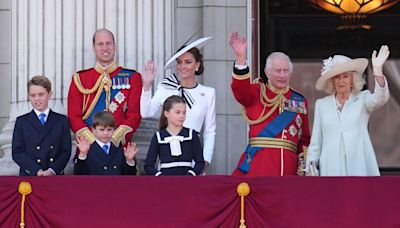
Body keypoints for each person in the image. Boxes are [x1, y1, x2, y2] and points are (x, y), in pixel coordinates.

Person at [229, 31, 310, 177]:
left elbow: (304, 139)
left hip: (289, 170)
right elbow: (240, 90)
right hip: (259, 166)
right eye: (278, 71)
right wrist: (240, 57)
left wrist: (303, 165)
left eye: (286, 71)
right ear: (267, 72)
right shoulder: (256, 92)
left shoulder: (299, 100)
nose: (282, 75)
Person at [306, 45, 390, 176]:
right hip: (330, 168)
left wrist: (378, 71)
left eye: (345, 76)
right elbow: (316, 142)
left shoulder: (363, 99)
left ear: (352, 80)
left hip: (358, 166)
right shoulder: (322, 105)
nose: (341, 81)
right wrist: (311, 165)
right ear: (332, 81)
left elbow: (380, 99)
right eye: (337, 77)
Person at [141, 37, 215, 171]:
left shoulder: (208, 93)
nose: (183, 66)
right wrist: (146, 87)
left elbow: (210, 130)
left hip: (193, 155)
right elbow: (146, 113)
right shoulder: (166, 86)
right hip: (167, 154)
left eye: (188, 62)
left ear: (197, 65)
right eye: (179, 62)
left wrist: (205, 160)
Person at [67, 28, 142, 149]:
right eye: (100, 44)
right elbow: (73, 116)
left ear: (114, 46)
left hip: (120, 150)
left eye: (108, 43)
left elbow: (134, 116)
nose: (105, 48)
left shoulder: (133, 77)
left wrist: (113, 141)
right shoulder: (80, 78)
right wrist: (94, 143)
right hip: (89, 149)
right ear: (94, 48)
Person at [12, 76, 71, 176]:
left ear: (49, 94)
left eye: (41, 94)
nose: (37, 99)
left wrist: (52, 170)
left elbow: (65, 151)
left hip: (54, 176)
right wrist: (36, 170)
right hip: (30, 176)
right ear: (28, 96)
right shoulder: (21, 121)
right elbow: (17, 152)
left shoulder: (61, 121)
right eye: (33, 95)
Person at [144, 95, 205, 176]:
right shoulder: (158, 136)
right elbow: (148, 165)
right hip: (166, 184)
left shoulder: (191, 134)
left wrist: (191, 174)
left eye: (184, 112)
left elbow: (200, 162)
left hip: (187, 183)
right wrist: (160, 176)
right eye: (177, 112)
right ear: (166, 113)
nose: (182, 116)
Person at [74, 111, 138, 175]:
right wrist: (82, 155)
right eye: (102, 130)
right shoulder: (87, 150)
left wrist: (129, 161)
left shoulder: (120, 151)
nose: (106, 133)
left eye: (109, 129)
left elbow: (129, 179)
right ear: (93, 130)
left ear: (114, 130)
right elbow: (78, 175)